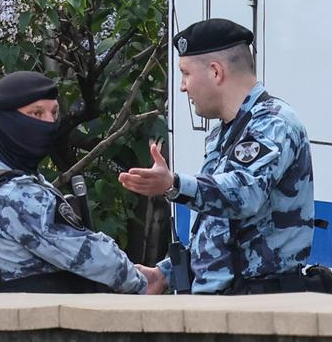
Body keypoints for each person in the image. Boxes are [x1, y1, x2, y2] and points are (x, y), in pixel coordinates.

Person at [119, 18, 320, 295]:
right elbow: (222, 230)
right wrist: (163, 275)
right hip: (227, 302)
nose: (182, 87)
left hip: (260, 305)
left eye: (186, 74)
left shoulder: (273, 123)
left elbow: (244, 196)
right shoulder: (224, 133)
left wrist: (174, 184)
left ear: (215, 72)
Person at [0, 70, 162, 294]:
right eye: (36, 114)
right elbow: (93, 257)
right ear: (8, 121)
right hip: (44, 322)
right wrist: (143, 283)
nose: (48, 123)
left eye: (54, 113)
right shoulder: (16, 194)